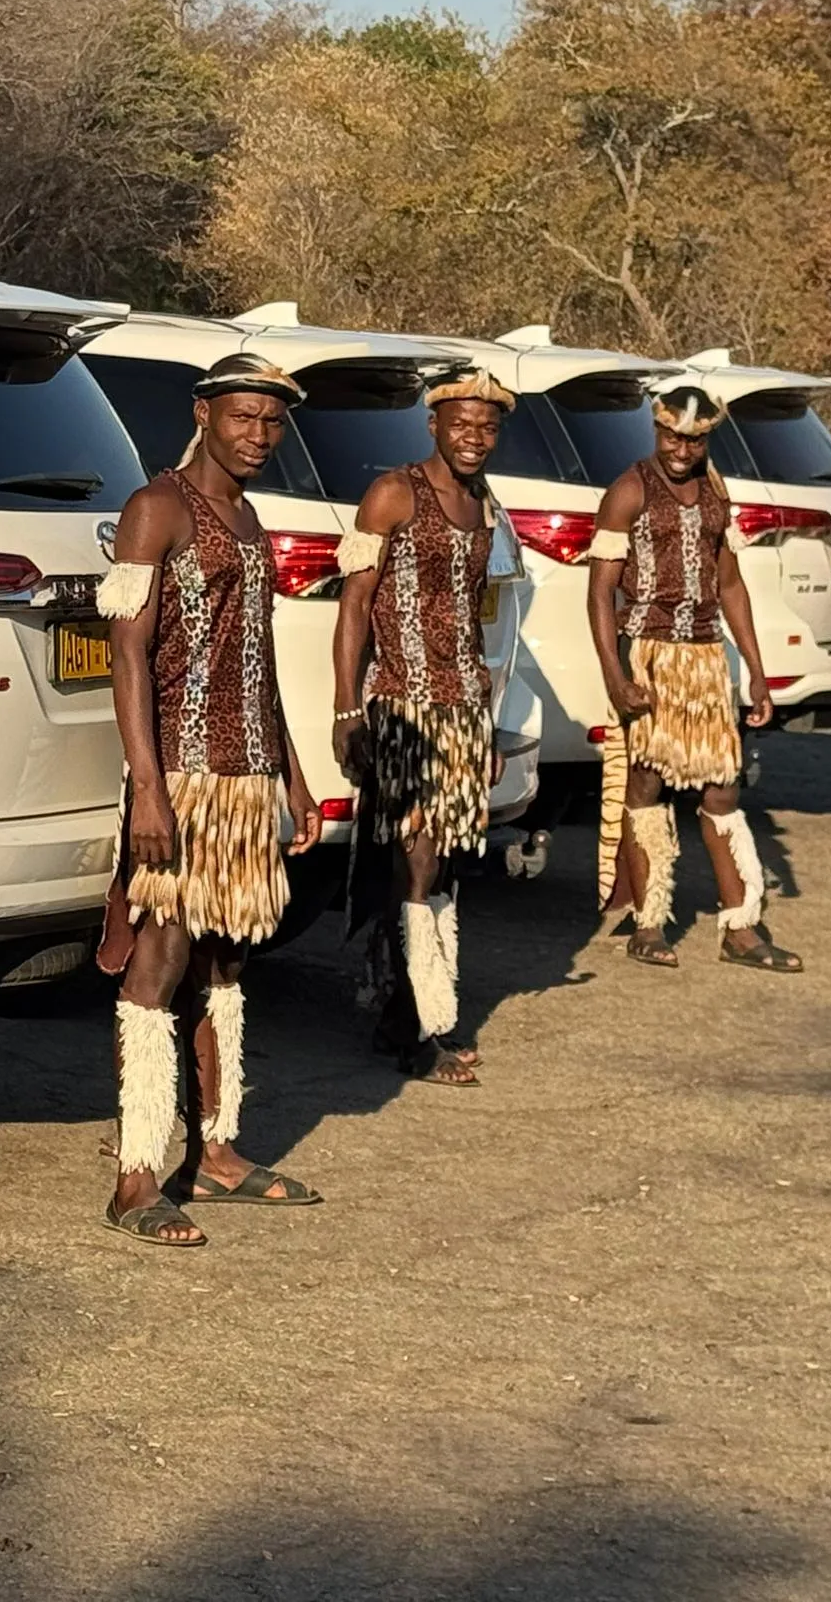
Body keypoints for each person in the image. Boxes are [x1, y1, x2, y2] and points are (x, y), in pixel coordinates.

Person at [95, 352, 326, 1248]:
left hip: (247, 776)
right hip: (182, 779)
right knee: (158, 961)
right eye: (243, 418)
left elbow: (256, 659)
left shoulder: (249, 514)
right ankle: (137, 1175)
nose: (259, 436)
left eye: (272, 422)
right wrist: (148, 792)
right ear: (203, 413)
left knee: (225, 964)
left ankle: (218, 1152)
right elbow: (128, 657)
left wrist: (293, 775)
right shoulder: (156, 510)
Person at [332, 364, 512, 1087]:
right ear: (433, 425)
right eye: (461, 424)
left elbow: (469, 621)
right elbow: (354, 606)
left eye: (488, 427)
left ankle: (410, 1014)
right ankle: (417, 1031)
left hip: (463, 709)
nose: (474, 438)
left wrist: (487, 728)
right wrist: (348, 709)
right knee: (415, 862)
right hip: (403, 706)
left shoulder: (483, 503)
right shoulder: (394, 493)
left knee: (439, 867)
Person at [587, 384, 801, 972]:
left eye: (696, 438)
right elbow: (601, 592)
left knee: (722, 790)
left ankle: (741, 926)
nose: (682, 448)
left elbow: (729, 584)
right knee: (647, 787)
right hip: (650, 656)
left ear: (709, 437)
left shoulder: (715, 492)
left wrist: (757, 671)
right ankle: (648, 922)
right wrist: (614, 674)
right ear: (656, 431)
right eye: (673, 435)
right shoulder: (628, 491)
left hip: (707, 660)